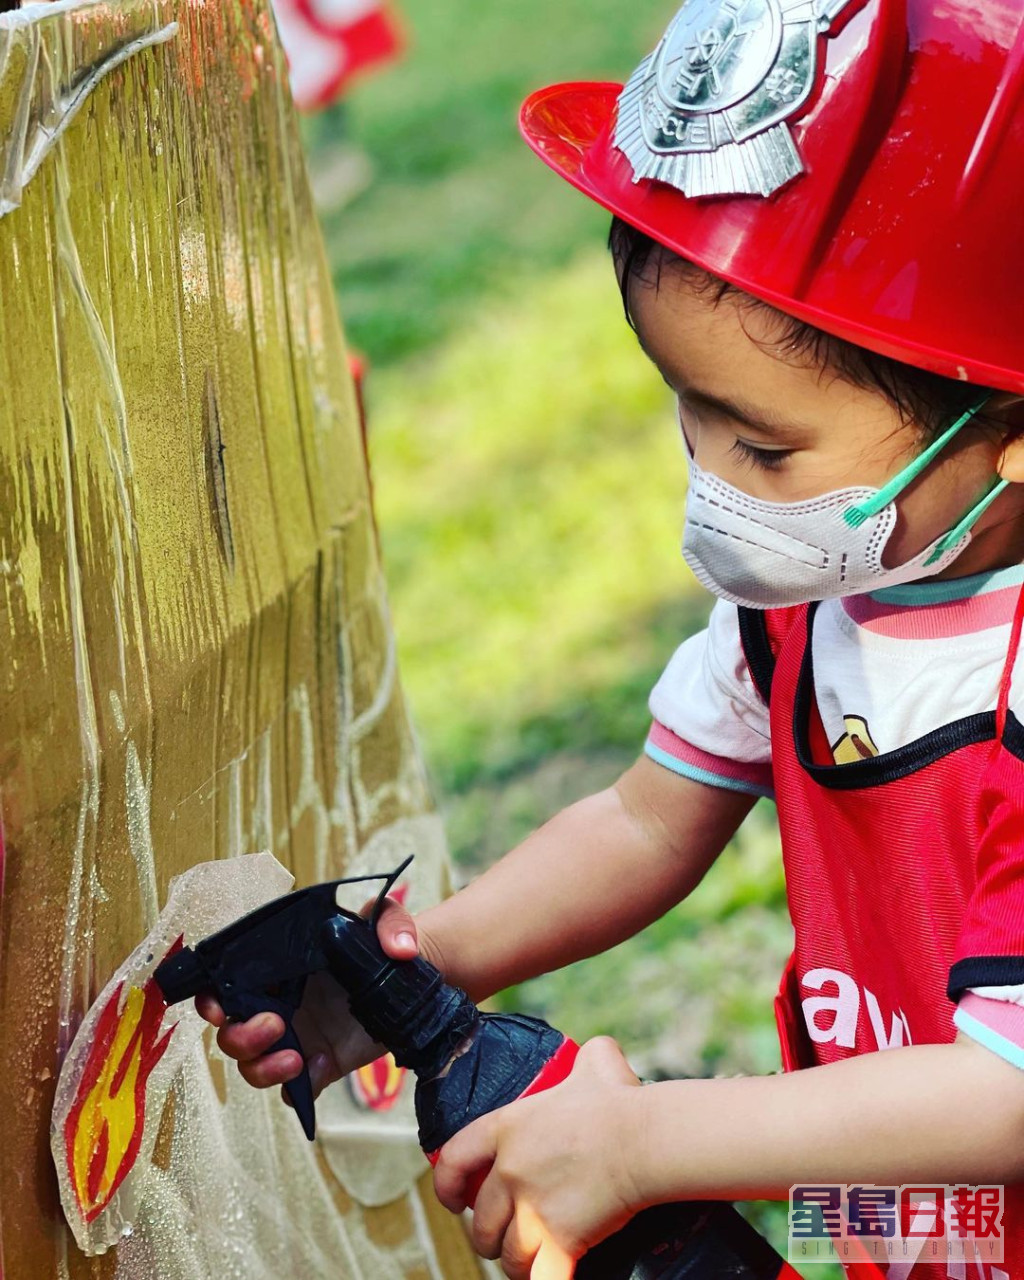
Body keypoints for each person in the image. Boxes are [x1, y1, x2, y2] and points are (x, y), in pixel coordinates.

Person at [198, 2, 1024, 1277]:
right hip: (909, 1218)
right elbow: (644, 819)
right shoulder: (798, 610)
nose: (711, 480)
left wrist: (642, 1142)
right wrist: (409, 969)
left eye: (762, 444)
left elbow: (1005, 1091)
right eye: (686, 413)